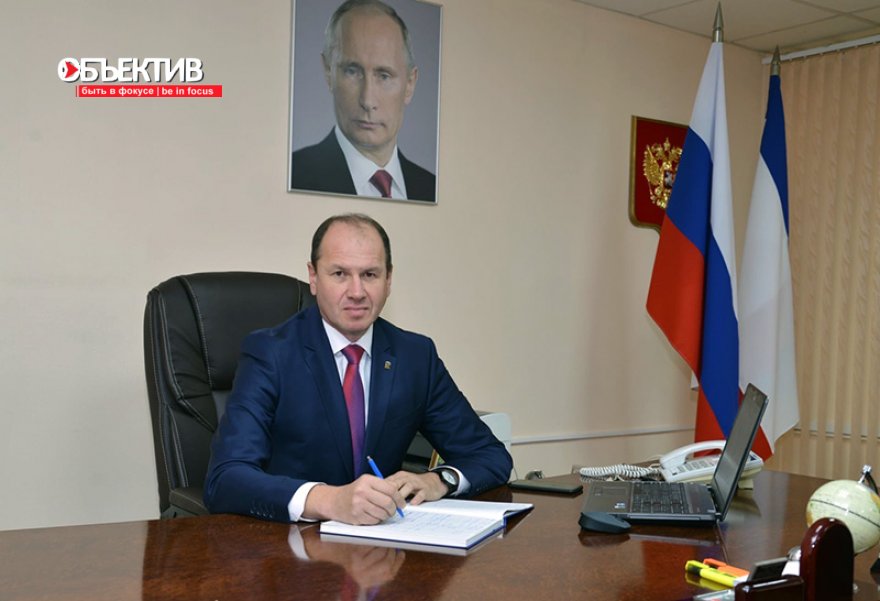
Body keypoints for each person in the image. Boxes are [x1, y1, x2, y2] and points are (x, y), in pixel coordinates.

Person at [205, 214, 511, 524]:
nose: (356, 291)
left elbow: (491, 455)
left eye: (370, 274)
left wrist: (439, 480)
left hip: (383, 540)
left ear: (388, 280)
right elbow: (226, 478)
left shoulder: (415, 355)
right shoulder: (271, 353)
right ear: (313, 277)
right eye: (339, 274)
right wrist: (329, 500)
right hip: (293, 542)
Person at [290, 0, 436, 202]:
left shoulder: (429, 186)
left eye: (384, 76)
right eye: (352, 71)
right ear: (328, 72)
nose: (367, 101)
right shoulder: (297, 173)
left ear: (410, 84)